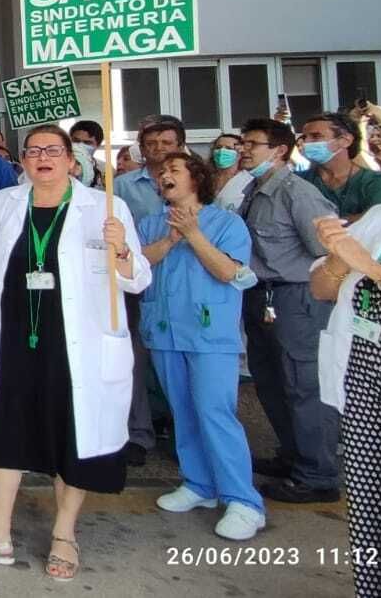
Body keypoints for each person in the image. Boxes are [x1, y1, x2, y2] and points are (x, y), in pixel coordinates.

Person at [0, 125, 149, 581]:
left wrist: (120, 250)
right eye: (33, 150)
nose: (43, 157)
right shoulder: (5, 202)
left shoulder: (105, 207)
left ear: (71, 160)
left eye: (53, 150)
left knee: (71, 432)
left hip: (75, 343)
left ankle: (64, 534)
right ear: (23, 161)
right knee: (3, 429)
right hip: (10, 336)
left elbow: (138, 279)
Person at [311, 125, 381, 598]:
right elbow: (322, 288)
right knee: (371, 495)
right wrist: (339, 256)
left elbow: (374, 273)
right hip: (366, 379)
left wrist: (370, 265)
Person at [138, 152, 266, 540]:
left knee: (215, 412)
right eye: (162, 172)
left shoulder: (226, 223)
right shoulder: (150, 223)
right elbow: (138, 265)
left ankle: (243, 500)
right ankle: (199, 484)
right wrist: (169, 240)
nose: (164, 175)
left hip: (209, 334)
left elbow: (229, 272)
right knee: (182, 410)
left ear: (196, 178)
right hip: (165, 330)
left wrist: (193, 235)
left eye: (174, 170)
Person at [236, 118, 341, 503]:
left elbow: (328, 250)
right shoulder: (253, 190)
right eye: (244, 142)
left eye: (253, 144)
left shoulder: (298, 193)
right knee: (271, 382)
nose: (244, 150)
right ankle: (294, 456)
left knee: (303, 385)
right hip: (260, 296)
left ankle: (318, 473)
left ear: (279, 150)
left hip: (295, 298)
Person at [107, 116, 186, 465]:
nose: (158, 150)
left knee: (181, 360)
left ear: (180, 145)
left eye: (166, 143)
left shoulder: (194, 181)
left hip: (182, 284)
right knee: (135, 360)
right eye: (151, 144)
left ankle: (182, 433)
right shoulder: (122, 186)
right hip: (136, 281)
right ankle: (139, 432)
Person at [298, 112, 381, 221]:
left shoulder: (377, 182)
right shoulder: (298, 181)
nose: (305, 142)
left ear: (345, 141)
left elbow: (379, 220)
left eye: (315, 136)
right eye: (304, 137)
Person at [210, 133, 252, 212]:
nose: (222, 151)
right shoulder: (206, 177)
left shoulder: (248, 180)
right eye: (218, 147)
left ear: (240, 153)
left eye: (229, 148)